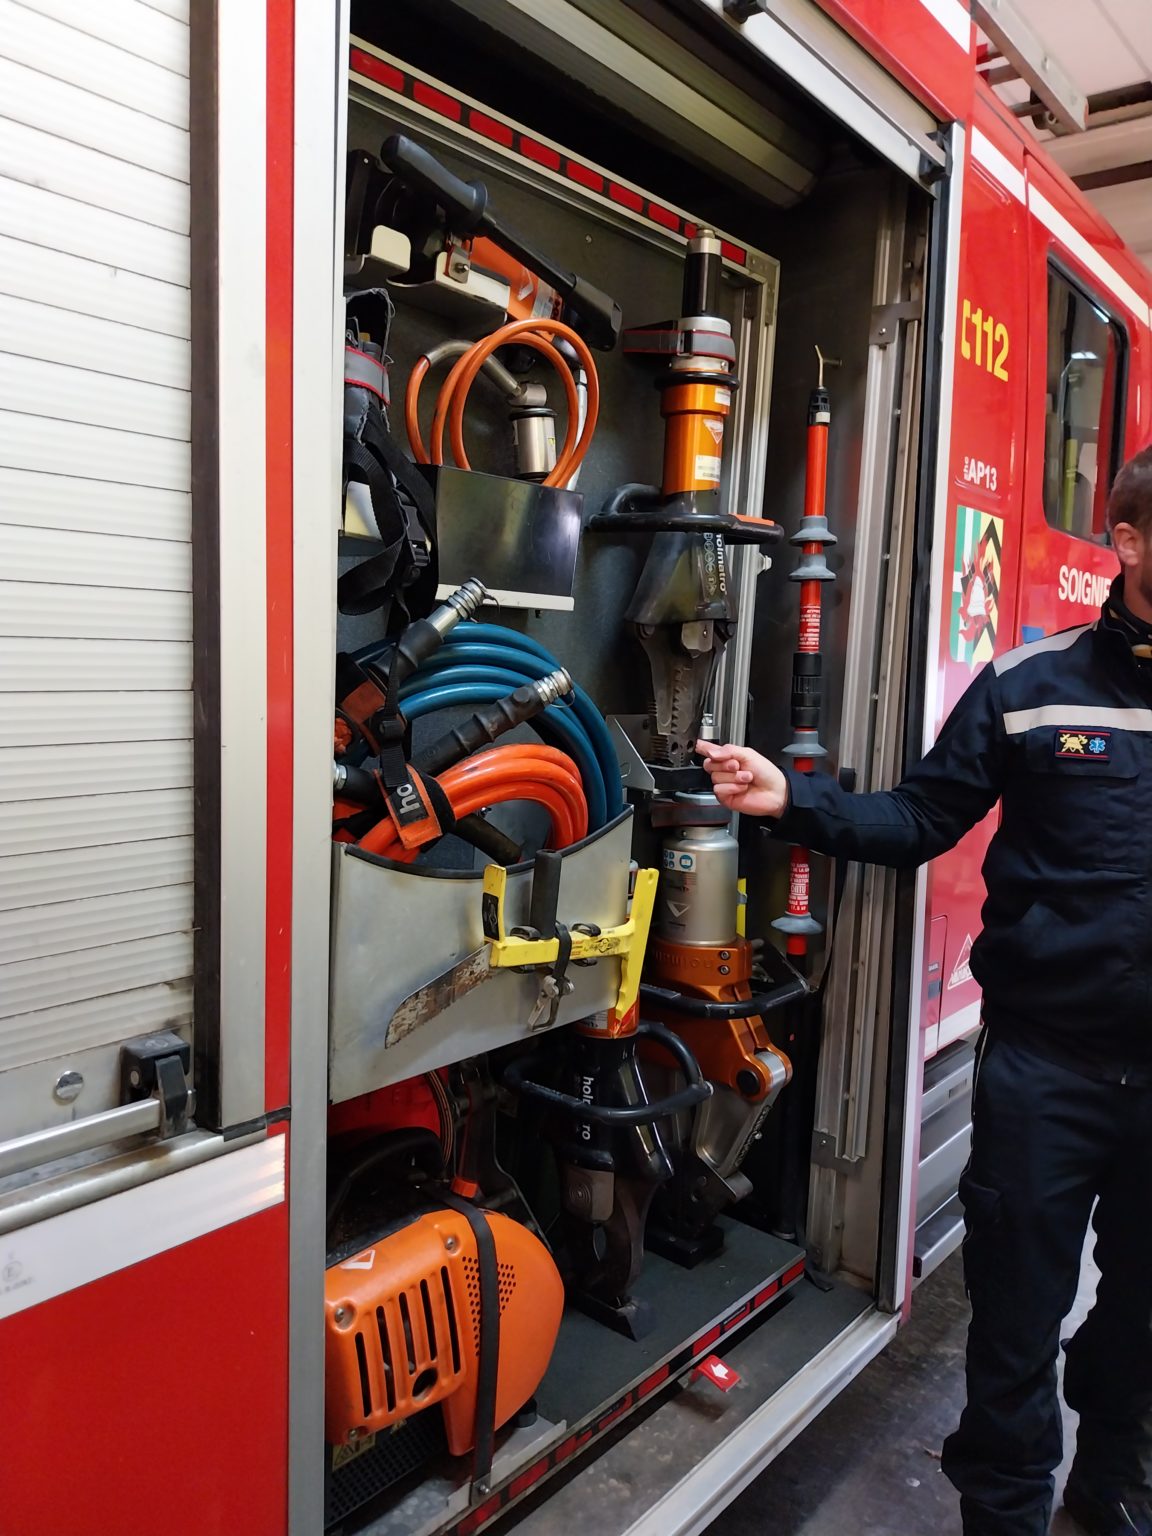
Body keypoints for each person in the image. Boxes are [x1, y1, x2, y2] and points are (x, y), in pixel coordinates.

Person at [698, 445, 1152, 1536]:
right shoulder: (1028, 688)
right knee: (1015, 1325)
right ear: (1130, 542)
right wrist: (793, 801)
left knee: (1141, 1321)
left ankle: (1114, 1482)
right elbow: (920, 816)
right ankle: (1006, 1515)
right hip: (1047, 1072)